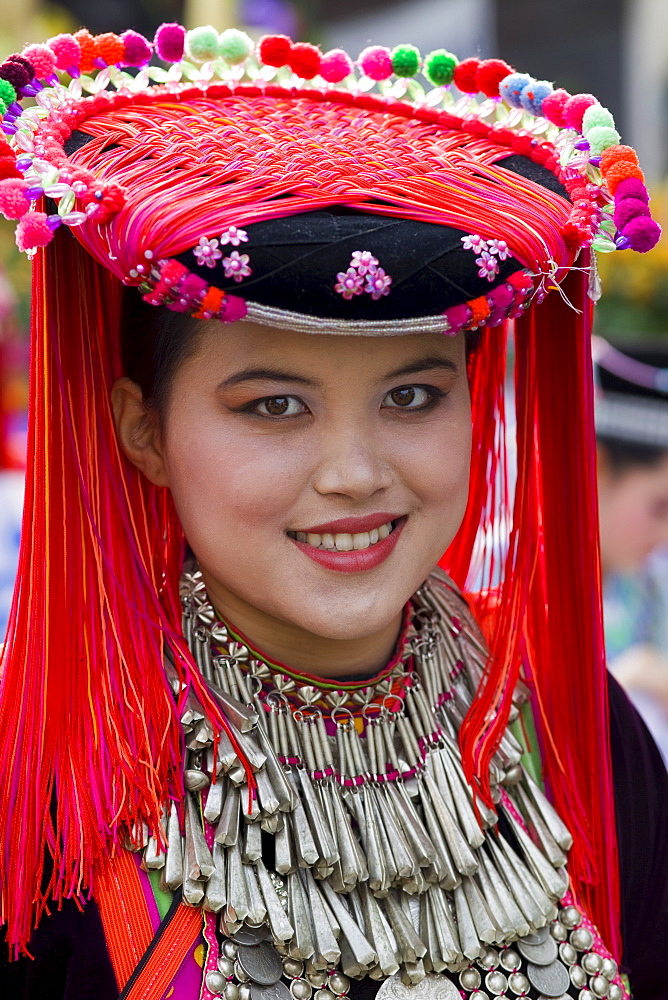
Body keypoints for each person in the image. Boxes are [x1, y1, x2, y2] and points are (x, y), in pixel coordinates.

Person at [0, 22, 665, 1000]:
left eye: (411, 397)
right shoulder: (60, 779)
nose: (354, 474)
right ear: (141, 430)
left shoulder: (571, 730)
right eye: (273, 405)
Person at [594, 338, 668, 761]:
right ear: (600, 466)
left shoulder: (651, 583)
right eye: (660, 507)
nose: (665, 535)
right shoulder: (504, 572)